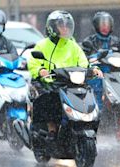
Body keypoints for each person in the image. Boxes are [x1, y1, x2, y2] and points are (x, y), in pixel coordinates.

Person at [28, 10, 102, 140]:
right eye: (61, 25)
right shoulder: (42, 45)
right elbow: (34, 63)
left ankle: (88, 123)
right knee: (50, 98)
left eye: (67, 25)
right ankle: (51, 128)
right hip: (51, 82)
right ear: (52, 28)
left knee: (88, 95)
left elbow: (83, 62)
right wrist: (41, 71)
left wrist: (93, 69)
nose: (65, 28)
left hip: (71, 82)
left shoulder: (73, 46)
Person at [81, 11, 120, 109]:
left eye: (107, 25)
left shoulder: (116, 41)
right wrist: (94, 58)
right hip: (98, 72)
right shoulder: (90, 41)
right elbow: (83, 56)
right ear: (96, 26)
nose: (105, 27)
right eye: (102, 25)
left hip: (115, 71)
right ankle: (97, 109)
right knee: (96, 84)